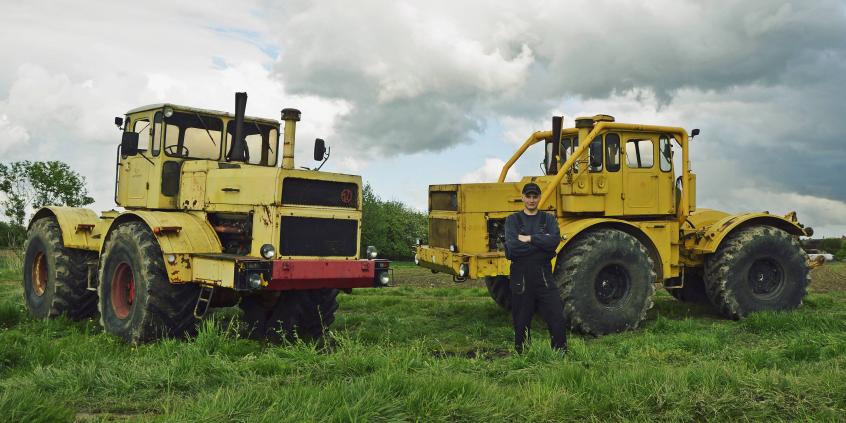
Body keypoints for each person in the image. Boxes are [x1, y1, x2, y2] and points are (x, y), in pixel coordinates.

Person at [504, 182, 568, 353]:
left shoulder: (548, 219)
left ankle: (560, 353)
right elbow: (512, 248)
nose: (531, 200)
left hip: (544, 274)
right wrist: (541, 243)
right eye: (528, 196)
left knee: (556, 314)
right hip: (521, 275)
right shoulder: (512, 220)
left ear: (539, 198)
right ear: (523, 197)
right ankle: (522, 354)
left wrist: (529, 238)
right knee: (521, 318)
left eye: (535, 197)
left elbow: (554, 242)